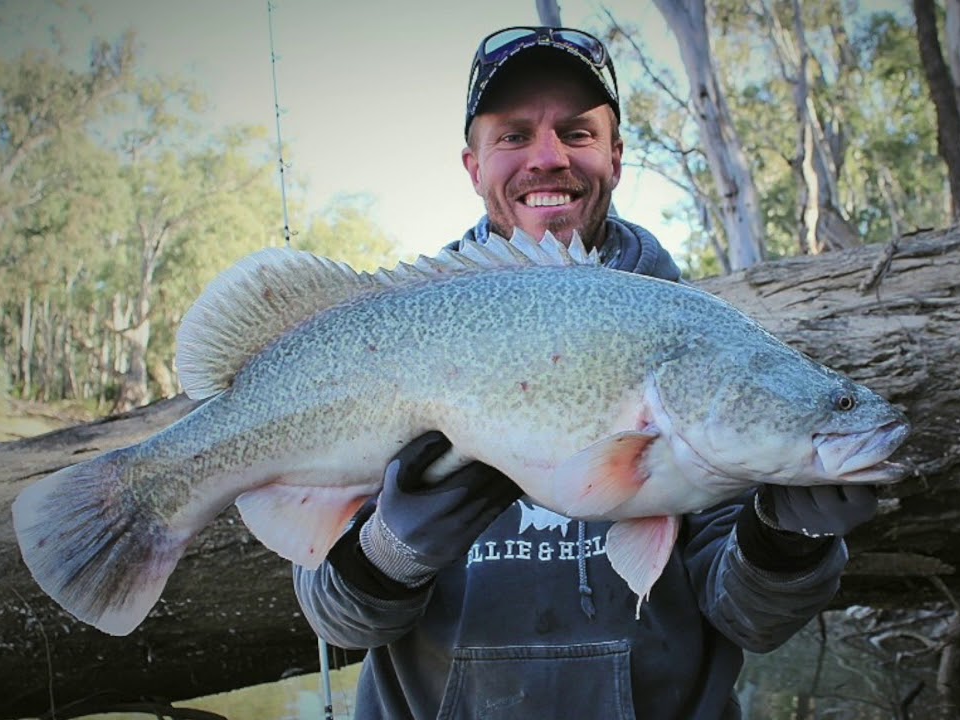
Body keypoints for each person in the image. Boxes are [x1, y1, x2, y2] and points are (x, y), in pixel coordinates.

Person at [293, 26, 878, 720]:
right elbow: (339, 622)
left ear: (616, 157)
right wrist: (394, 545)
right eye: (513, 135)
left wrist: (788, 540)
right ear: (471, 166)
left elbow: (750, 622)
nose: (548, 158)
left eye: (576, 132)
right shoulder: (397, 338)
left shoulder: (706, 352)